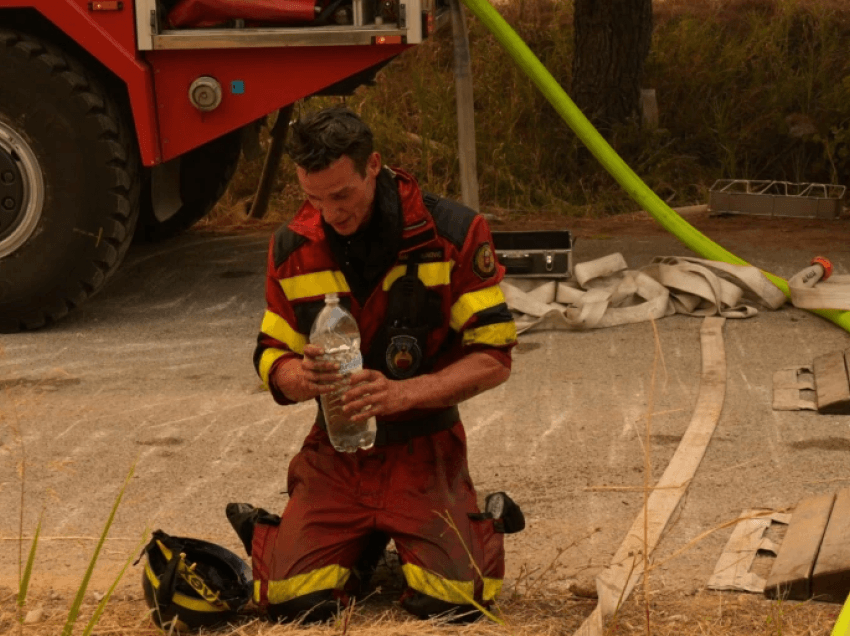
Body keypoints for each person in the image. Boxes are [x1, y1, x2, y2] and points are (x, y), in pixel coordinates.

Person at [246, 105, 520, 623]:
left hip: (423, 449)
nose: (329, 213)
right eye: (312, 197)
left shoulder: (453, 233)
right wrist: (295, 377)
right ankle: (355, 538)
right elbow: (269, 352)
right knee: (289, 601)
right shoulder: (292, 245)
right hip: (336, 451)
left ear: (373, 165)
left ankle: (469, 519)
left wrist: (404, 394)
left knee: (454, 601)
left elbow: (494, 357)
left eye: (342, 195)